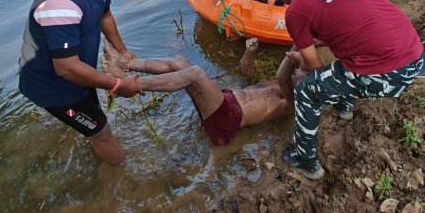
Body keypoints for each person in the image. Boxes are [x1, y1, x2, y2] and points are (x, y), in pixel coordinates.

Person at [267, 0, 424, 180]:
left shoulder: (296, 11)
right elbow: (339, 28)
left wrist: (300, 61)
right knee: (341, 67)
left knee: (306, 90)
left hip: (390, 73)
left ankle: (306, 162)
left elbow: (313, 67)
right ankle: (344, 109)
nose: (279, 0)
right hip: (415, 54)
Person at [18, 0, 143, 165]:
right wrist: (118, 85)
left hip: (79, 74)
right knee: (101, 132)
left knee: (94, 119)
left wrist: (122, 52)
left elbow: (105, 15)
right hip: (55, 87)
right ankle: (122, 174)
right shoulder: (60, 3)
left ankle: (93, 149)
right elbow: (66, 68)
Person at [106, 44, 306, 146]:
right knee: (179, 61)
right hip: (225, 101)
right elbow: (246, 72)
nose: (297, 70)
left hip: (229, 120)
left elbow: (283, 76)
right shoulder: (273, 83)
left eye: (301, 72)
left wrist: (296, 49)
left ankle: (128, 84)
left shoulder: (291, 101)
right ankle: (125, 65)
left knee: (195, 74)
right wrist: (249, 52)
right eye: (297, 69)